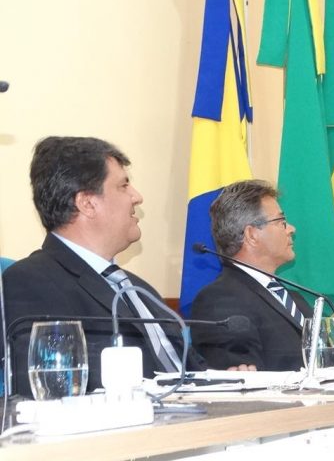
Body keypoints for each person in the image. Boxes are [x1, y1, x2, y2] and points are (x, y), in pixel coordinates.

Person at [2, 136, 206, 397]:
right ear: (87, 203)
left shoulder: (139, 289)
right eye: (123, 186)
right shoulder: (29, 281)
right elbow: (48, 387)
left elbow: (192, 370)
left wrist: (230, 380)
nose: (137, 197)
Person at [191, 180, 313, 371]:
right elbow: (243, 377)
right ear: (251, 234)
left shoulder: (295, 299)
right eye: (281, 222)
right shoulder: (219, 300)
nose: (291, 229)